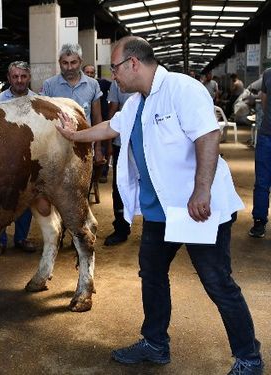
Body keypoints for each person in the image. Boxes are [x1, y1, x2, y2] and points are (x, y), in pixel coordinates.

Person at [55, 36, 264, 375]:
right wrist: (73, 136)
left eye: (116, 68)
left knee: (216, 281)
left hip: (196, 208)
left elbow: (208, 135)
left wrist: (201, 190)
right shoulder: (137, 101)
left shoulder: (182, 89)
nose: (114, 76)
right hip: (160, 212)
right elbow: (111, 126)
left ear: (133, 64)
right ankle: (155, 343)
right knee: (151, 273)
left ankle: (249, 358)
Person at [0, 61, 38, 257]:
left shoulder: (38, 102)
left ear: (29, 78)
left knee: (25, 200)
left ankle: (21, 238)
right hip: (2, 161)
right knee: (2, 201)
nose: (19, 80)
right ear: (8, 78)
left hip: (29, 160)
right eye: (15, 76)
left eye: (23, 76)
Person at [42, 43, 107, 169]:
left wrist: (98, 148)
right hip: (57, 146)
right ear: (59, 62)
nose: (69, 67)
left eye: (74, 62)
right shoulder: (49, 85)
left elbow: (97, 117)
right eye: (65, 63)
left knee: (83, 185)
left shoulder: (93, 85)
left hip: (85, 145)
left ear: (80, 62)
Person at [104, 80, 134, 246]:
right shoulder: (118, 82)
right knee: (120, 185)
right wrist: (109, 143)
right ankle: (121, 228)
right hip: (121, 143)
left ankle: (158, 229)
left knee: (151, 184)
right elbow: (113, 112)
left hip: (149, 145)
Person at [249, 68, 271, 238]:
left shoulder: (268, 74)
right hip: (266, 136)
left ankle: (259, 223)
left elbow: (263, 100)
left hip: (267, 134)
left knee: (262, 182)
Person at [83, 63, 112, 182]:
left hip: (102, 120)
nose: (89, 74)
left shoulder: (102, 84)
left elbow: (115, 86)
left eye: (92, 73)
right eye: (87, 72)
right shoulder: (81, 86)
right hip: (86, 124)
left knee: (102, 147)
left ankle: (103, 173)